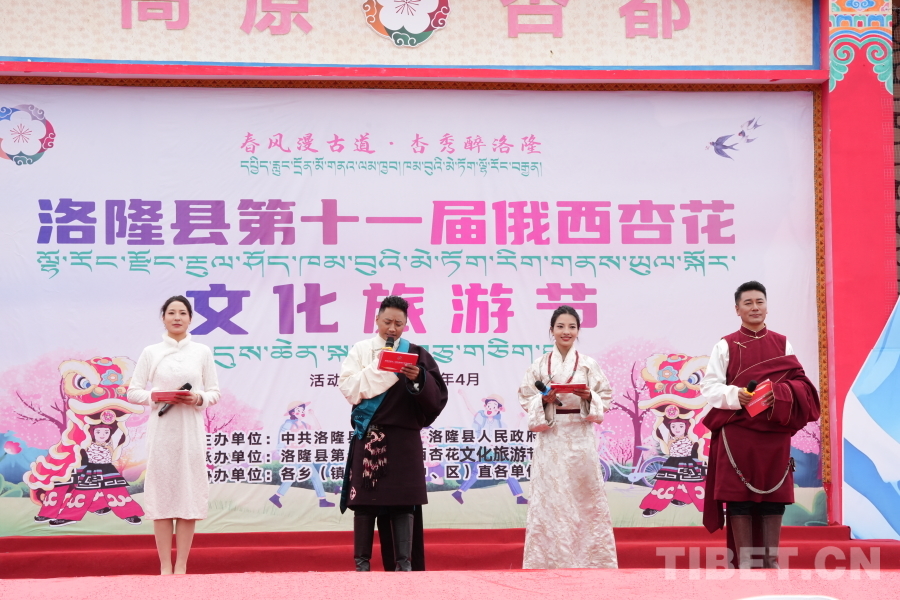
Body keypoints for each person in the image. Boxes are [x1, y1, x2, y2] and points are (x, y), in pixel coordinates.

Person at [699, 281, 820, 569]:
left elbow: (801, 385)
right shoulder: (725, 344)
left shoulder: (782, 343)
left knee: (773, 496)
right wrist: (735, 395)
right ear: (737, 309)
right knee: (738, 495)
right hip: (737, 430)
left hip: (774, 431)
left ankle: (770, 560)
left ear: (766, 306)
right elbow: (710, 387)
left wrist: (780, 394)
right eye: (748, 303)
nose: (755, 307)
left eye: (759, 302)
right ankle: (744, 560)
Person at [338, 295, 447, 572]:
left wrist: (418, 379)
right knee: (364, 504)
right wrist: (381, 367)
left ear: (405, 324)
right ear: (377, 319)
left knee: (403, 503)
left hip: (404, 440)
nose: (392, 328)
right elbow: (349, 389)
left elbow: (437, 396)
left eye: (399, 323)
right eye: (387, 321)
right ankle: (362, 566)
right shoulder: (361, 350)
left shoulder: (417, 353)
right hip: (370, 437)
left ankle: (404, 567)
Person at [517, 305, 618, 569]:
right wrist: (544, 399)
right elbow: (525, 397)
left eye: (572, 327)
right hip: (551, 436)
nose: (566, 331)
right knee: (551, 498)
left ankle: (592, 562)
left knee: (584, 499)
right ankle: (547, 562)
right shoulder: (539, 364)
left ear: (578, 331)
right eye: (560, 326)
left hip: (581, 435)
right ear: (551, 330)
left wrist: (589, 396)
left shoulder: (588, 364)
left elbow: (606, 396)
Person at [127, 295, 221, 575]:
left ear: (190, 319)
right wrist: (157, 396)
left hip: (190, 433)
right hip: (161, 433)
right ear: (163, 318)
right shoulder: (151, 352)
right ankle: (165, 566)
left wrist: (198, 398)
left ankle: (181, 566)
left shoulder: (202, 352)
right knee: (162, 498)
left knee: (188, 496)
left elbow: (214, 392)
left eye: (182, 313)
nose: (177, 317)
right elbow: (133, 391)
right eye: (171, 313)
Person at [269, 400, 337, 509]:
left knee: (314, 476)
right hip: (292, 455)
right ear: (293, 412)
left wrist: (313, 415)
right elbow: (282, 438)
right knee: (291, 477)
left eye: (302, 410)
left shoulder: (304, 425)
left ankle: (322, 500)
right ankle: (276, 497)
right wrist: (282, 452)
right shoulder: (288, 424)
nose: (302, 412)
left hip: (301, 455)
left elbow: (318, 428)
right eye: (299, 410)